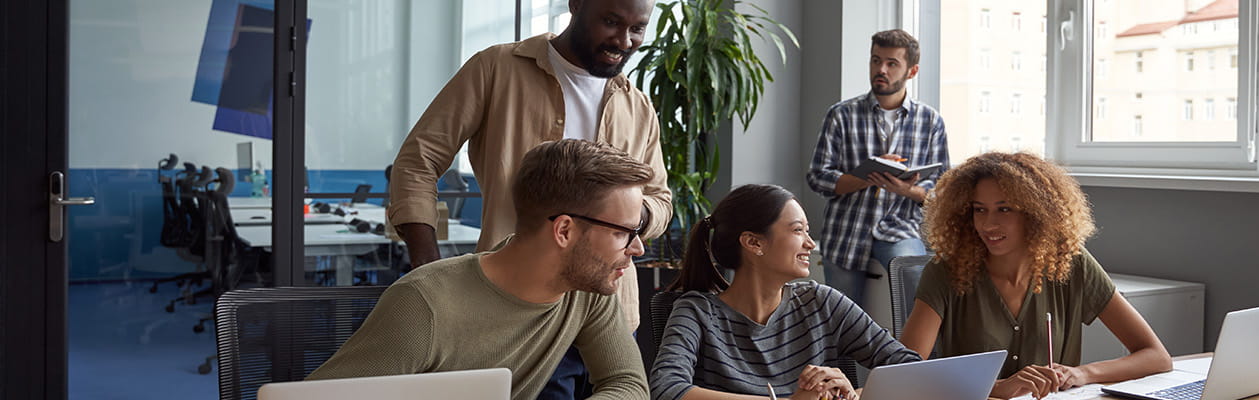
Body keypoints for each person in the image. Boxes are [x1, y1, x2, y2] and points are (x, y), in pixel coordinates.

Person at [385, 0, 671, 397]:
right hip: (517, 312)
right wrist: (427, 266)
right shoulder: (496, 69)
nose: (624, 40)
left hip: (611, 308)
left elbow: (660, 199)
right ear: (576, 5)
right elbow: (418, 161)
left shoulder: (637, 106)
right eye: (611, 22)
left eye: (638, 29)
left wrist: (618, 215)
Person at [308, 140, 653, 400]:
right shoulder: (423, 305)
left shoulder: (586, 288)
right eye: (623, 232)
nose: (637, 248)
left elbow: (628, 383)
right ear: (564, 231)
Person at [897, 152, 1172, 399]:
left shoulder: (1071, 263)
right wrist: (996, 387)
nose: (988, 223)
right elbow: (905, 375)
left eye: (1004, 209)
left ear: (1036, 214)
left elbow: (1156, 356)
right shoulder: (946, 270)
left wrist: (1081, 374)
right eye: (979, 210)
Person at [649, 184, 922, 400]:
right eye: (797, 230)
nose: (810, 243)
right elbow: (667, 390)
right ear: (754, 242)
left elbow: (909, 368)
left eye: (808, 231)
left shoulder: (822, 302)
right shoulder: (696, 311)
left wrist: (855, 396)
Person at [806, 29, 949, 310]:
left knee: (922, 296)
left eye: (892, 63)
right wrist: (866, 176)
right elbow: (818, 176)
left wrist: (908, 190)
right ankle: (844, 358)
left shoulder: (930, 121)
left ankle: (918, 357)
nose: (880, 69)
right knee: (840, 320)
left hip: (900, 229)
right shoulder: (841, 115)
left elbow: (943, 188)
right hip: (846, 230)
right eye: (875, 60)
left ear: (912, 70)